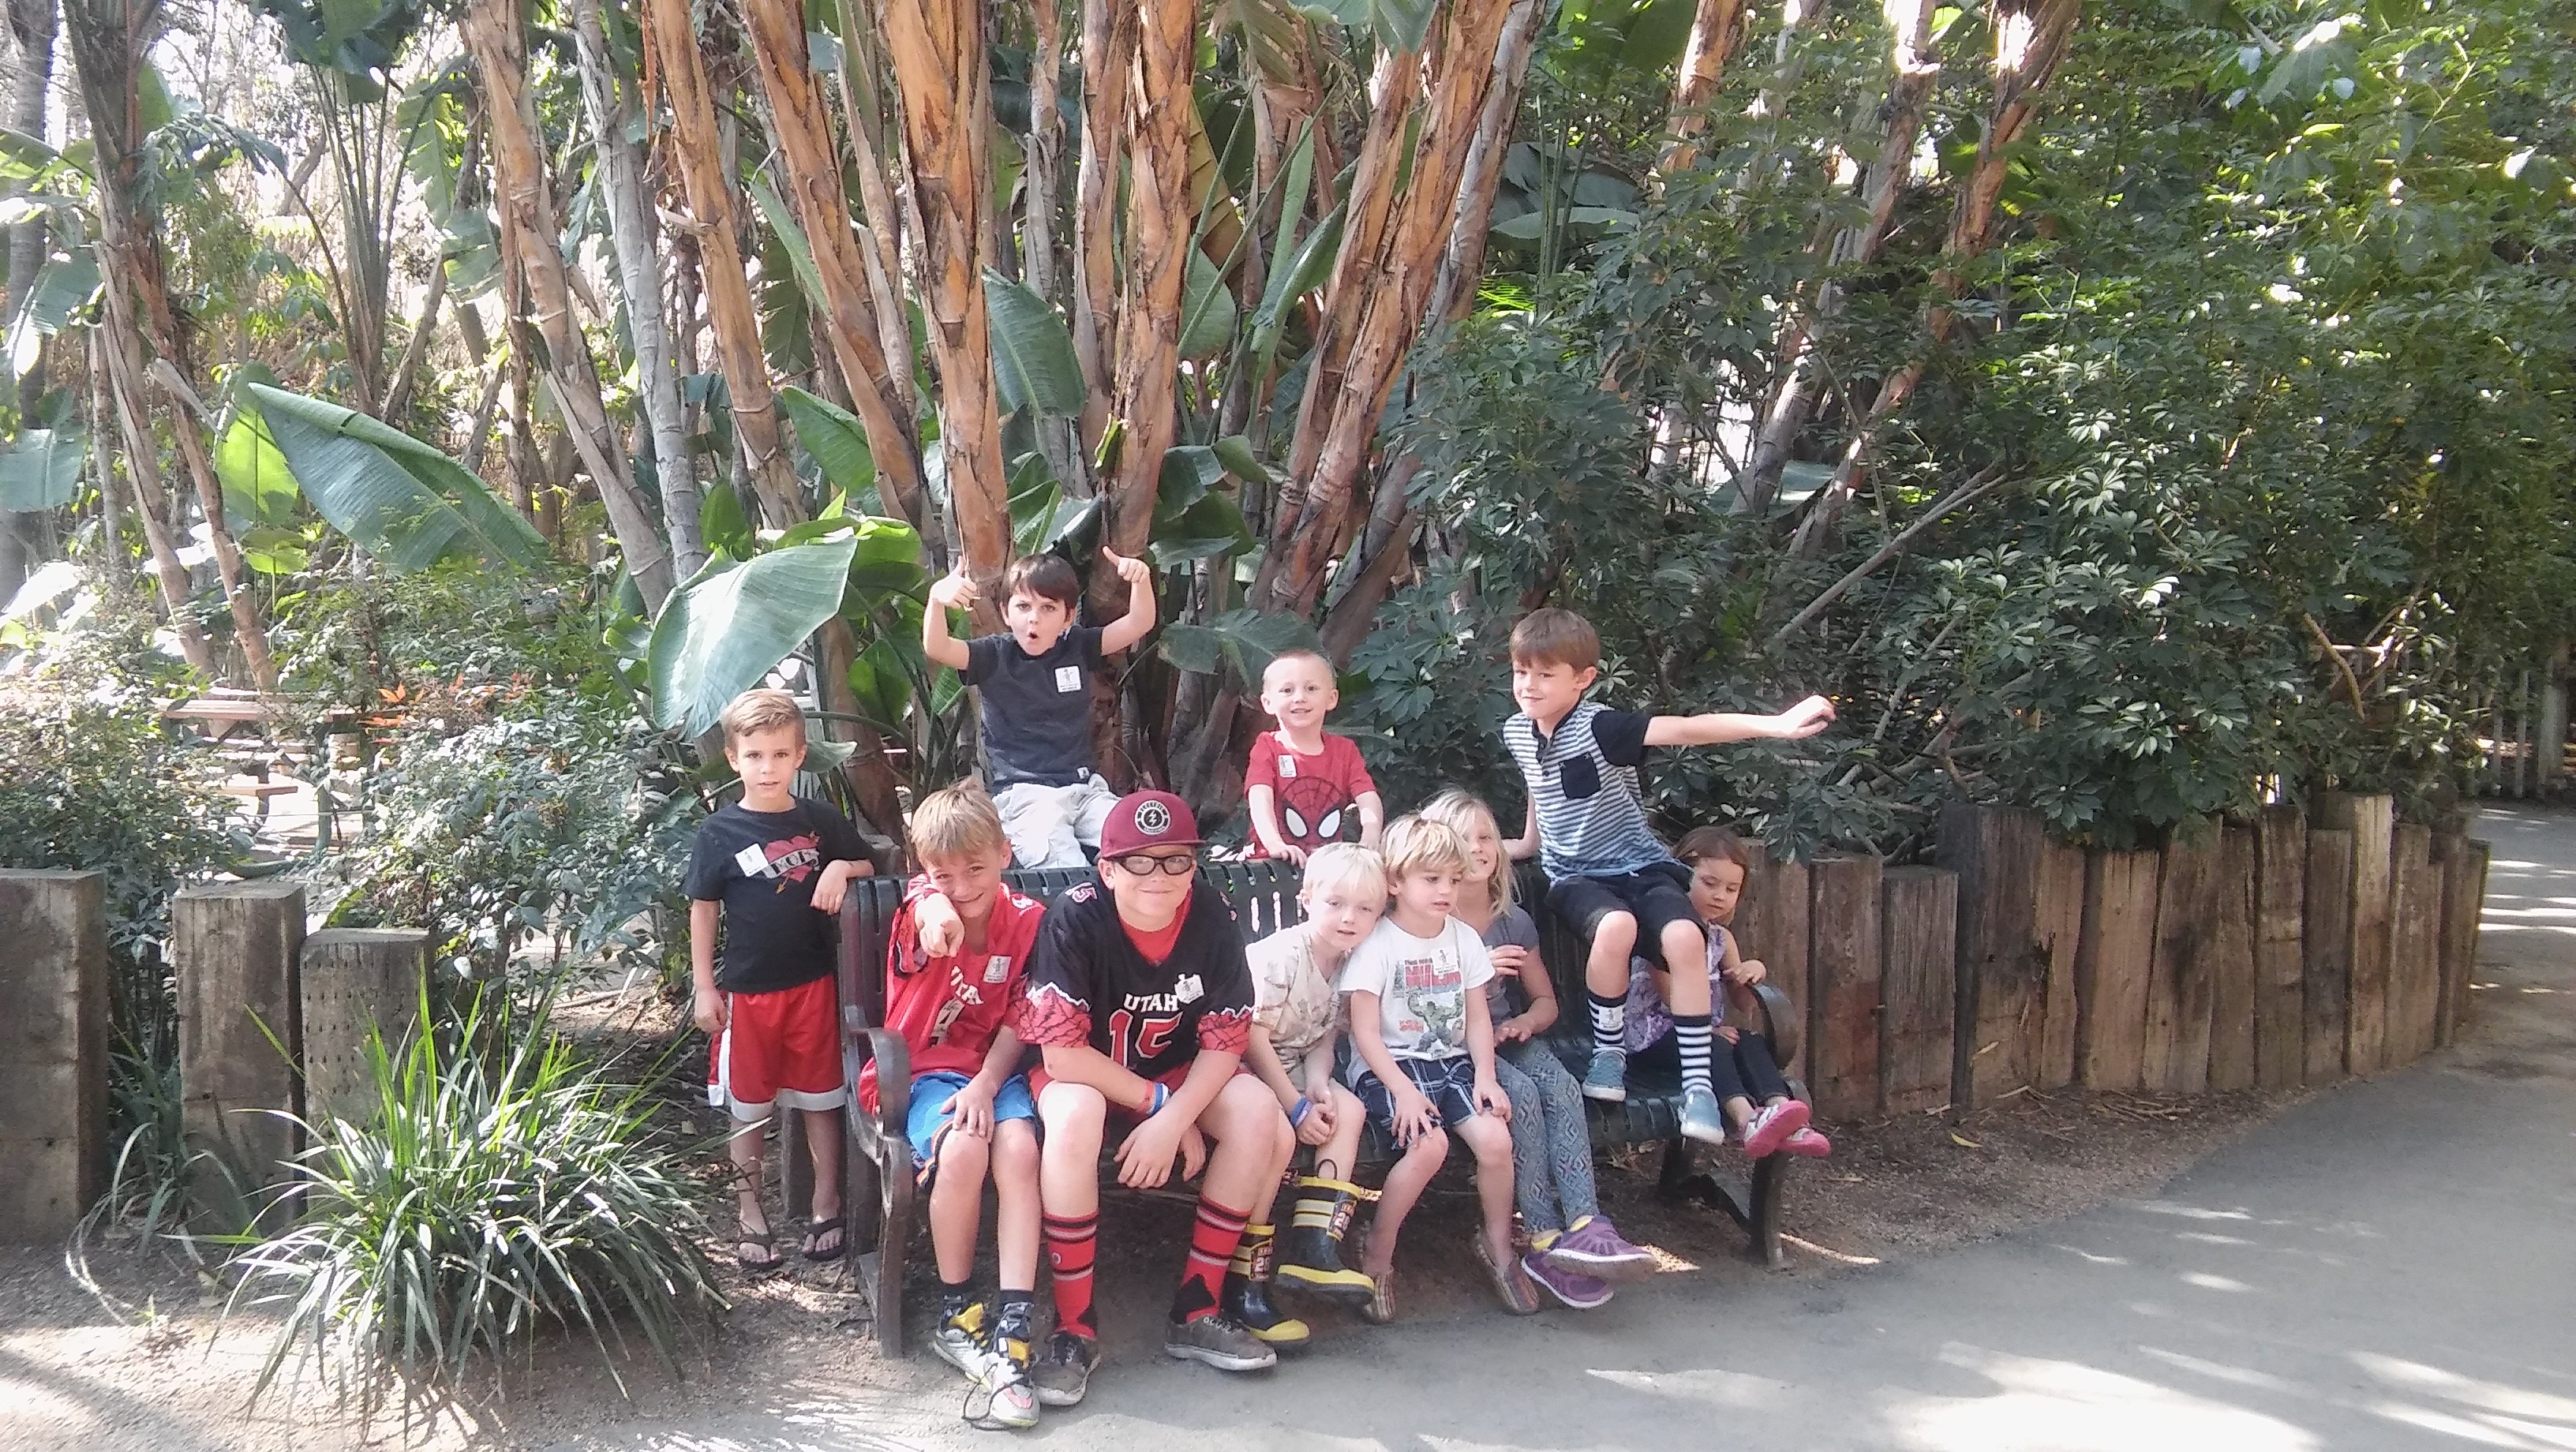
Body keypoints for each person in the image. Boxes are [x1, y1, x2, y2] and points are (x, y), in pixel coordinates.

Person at [1500, 608, 1834, 1143]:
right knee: (1616, 929)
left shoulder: (1603, 726)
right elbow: (1542, 785)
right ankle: (1608, 1058)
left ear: (1583, 679)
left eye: (1545, 674)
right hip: (1576, 877)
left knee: (1684, 934)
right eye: (1521, 672)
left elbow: (1685, 730)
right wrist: (1526, 843)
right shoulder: (1517, 731)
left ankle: (1701, 1086)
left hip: (1641, 865)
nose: (1529, 685)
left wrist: (1773, 725)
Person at [1012, 790, 1297, 1405]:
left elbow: (1226, 1040)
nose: (1159, 876)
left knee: (1256, 1112)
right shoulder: (1076, 915)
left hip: (1173, 1070)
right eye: (1139, 861)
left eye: (1175, 860)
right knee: (1073, 1116)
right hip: (1089, 1074)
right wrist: (1161, 1107)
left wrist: (1177, 1114)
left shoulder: (1211, 914)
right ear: (1108, 869)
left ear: (1194, 867)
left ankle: (1196, 1309)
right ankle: (1074, 1330)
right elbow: (1061, 1055)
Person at [1419, 788, 1655, 1308]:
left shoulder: (1512, 921)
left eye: (1485, 837)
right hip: (1453, 1046)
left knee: (1560, 1085)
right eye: (1463, 839)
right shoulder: (1429, 924)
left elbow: (1546, 1001)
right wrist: (1476, 979)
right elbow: (1417, 1007)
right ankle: (1543, 1238)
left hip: (1508, 1036)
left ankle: (1588, 1226)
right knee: (1520, 1096)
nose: (1477, 847)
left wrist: (1526, 1020)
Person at [860, 787, 1046, 1429]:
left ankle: (1016, 1316)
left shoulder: (1028, 920)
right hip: (918, 1077)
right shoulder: (923, 909)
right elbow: (927, 910)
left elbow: (1023, 1019)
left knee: (1020, 1148)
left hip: (992, 1076)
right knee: (964, 1148)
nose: (964, 886)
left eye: (977, 869)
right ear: (925, 871)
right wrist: (938, 902)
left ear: (1005, 854)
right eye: (946, 873)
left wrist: (989, 1085)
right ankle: (957, 1310)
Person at [685, 688, 873, 1271]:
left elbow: (868, 862)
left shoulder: (819, 822)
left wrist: (840, 865)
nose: (768, 767)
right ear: (734, 757)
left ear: (799, 757)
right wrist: (703, 985)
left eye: (780, 754)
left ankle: (826, 1203)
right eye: (755, 755)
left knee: (822, 1101)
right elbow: (703, 909)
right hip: (748, 992)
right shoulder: (719, 833)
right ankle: (750, 1213)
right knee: (749, 1108)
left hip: (815, 986)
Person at [1339, 814, 1530, 1321]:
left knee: (1495, 1141)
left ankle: (1496, 1244)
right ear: (1396, 882)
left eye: (1452, 878)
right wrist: (1400, 1090)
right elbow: (1363, 1031)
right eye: (1432, 879)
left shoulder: (1463, 939)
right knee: (1431, 1145)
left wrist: (1486, 1076)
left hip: (1452, 1063)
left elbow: (1477, 1017)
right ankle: (1377, 1252)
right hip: (1390, 1067)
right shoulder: (1377, 943)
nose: (1447, 890)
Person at [923, 549, 1157, 869]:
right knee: (1069, 873)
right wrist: (937, 599)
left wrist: (1141, 579)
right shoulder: (993, 656)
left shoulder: (1078, 646)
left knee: (1141, 848)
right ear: (1006, 613)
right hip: (1025, 797)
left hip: (1087, 791)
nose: (1034, 617)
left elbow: (1139, 622)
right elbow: (937, 647)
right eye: (1023, 606)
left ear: (1068, 616)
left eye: (1048, 608)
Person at [1241, 843, 1385, 1314]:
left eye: (1365, 908)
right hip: (1244, 1062)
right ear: (1306, 901)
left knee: (1350, 1108)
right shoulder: (1281, 956)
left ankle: (1314, 1246)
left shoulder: (1352, 962)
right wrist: (1295, 1105)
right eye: (1336, 904)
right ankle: (1247, 1266)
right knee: (1279, 1134)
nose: (1349, 918)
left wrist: (1319, 1084)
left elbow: (1326, 1035)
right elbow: (1251, 1036)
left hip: (1296, 1061)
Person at [1627, 825, 1831, 1159]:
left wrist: (1750, 974)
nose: (1720, 895)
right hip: (1650, 1037)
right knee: (1718, 1044)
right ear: (1679, 877)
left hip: (1704, 1034)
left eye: (1731, 888)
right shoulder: (1662, 931)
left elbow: (1742, 1003)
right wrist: (1706, 1030)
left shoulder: (1722, 939)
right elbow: (1669, 997)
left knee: (1749, 1039)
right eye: (1709, 883)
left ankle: (1784, 1115)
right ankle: (1746, 1119)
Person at [1243, 648, 1384, 863]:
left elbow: (1367, 796)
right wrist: (1275, 844)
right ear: (1268, 703)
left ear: (1331, 698)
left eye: (1311, 688)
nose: (1300, 698)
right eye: (1287, 690)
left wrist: (1371, 836)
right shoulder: (1268, 746)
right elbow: (1259, 796)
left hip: (1325, 865)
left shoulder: (1345, 750)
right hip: (1272, 862)